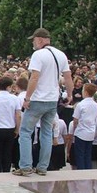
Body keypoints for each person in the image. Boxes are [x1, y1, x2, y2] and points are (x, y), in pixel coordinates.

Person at [14, 28, 73, 176]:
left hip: (38, 99)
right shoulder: (61, 55)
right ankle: (42, 167)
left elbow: (34, 77)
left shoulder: (38, 55)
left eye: (34, 40)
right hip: (52, 100)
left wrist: (27, 98)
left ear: (40, 39)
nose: (33, 43)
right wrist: (70, 94)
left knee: (26, 132)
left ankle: (26, 166)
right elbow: (68, 77)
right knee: (46, 132)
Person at [0, 77, 21, 173]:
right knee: (7, 152)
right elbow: (18, 115)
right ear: (9, 87)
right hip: (10, 128)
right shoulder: (15, 98)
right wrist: (17, 129)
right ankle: (6, 170)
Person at [71, 83, 97, 170]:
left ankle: (82, 171)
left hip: (81, 132)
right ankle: (88, 170)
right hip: (91, 132)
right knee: (87, 154)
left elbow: (75, 120)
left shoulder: (80, 105)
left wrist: (74, 129)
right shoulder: (96, 105)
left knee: (80, 155)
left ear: (85, 92)